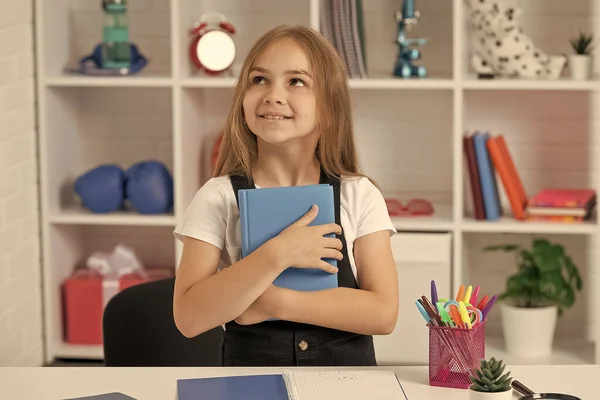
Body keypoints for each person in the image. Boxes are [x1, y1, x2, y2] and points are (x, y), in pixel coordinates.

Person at [172, 24, 399, 367]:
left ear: (329, 107)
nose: (272, 94)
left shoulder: (358, 194)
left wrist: (274, 302)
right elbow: (189, 318)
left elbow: (383, 313)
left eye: (296, 81)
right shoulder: (217, 198)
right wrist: (278, 253)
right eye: (259, 79)